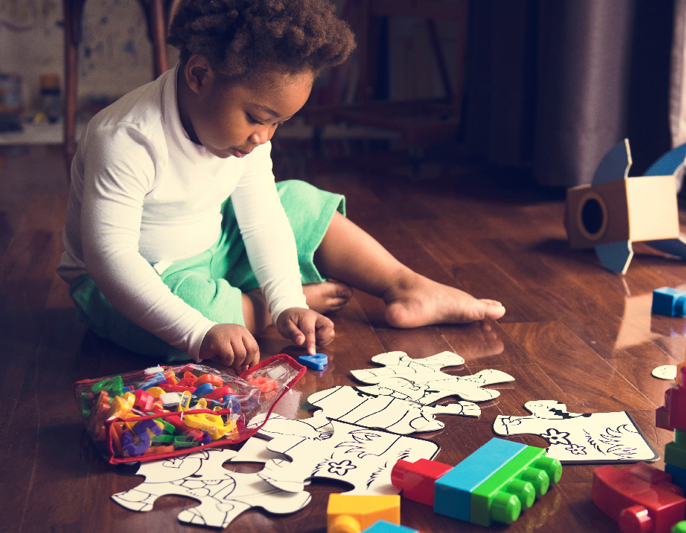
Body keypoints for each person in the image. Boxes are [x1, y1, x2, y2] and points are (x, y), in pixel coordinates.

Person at [58, 0, 505, 375]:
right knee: (200, 312)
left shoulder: (247, 138)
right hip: (128, 281)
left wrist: (289, 298)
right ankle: (255, 308)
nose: (264, 136)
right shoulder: (125, 138)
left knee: (298, 201)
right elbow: (110, 258)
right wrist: (199, 331)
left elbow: (262, 217)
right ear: (198, 76)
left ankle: (403, 285)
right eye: (256, 117)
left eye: (277, 123)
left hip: (211, 248)